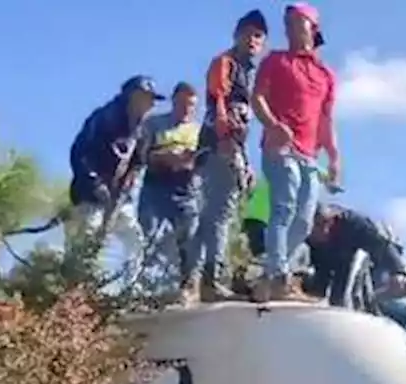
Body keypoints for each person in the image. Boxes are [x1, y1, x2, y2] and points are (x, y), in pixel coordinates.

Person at [251, 3, 341, 303]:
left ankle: (270, 274)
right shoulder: (275, 61)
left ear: (312, 29)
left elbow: (326, 120)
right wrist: (273, 125)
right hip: (279, 148)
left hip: (309, 155)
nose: (290, 28)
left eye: (296, 22)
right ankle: (279, 276)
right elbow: (258, 99)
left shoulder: (326, 75)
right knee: (283, 207)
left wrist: (334, 157)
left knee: (303, 221)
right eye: (287, 23)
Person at [182, 9, 268, 304]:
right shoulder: (226, 62)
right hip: (220, 144)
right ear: (237, 35)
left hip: (231, 145)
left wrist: (244, 158)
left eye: (259, 36)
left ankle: (192, 276)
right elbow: (219, 101)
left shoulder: (249, 71)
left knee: (215, 214)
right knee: (220, 213)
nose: (254, 40)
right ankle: (212, 278)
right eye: (249, 33)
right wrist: (227, 143)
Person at [66, 75, 164, 281]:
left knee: (134, 239)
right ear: (133, 96)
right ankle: (74, 287)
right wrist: (93, 183)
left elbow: (138, 162)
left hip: (119, 197)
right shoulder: (103, 118)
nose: (152, 104)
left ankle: (132, 287)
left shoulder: (143, 130)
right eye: (147, 98)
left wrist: (128, 184)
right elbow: (79, 152)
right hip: (90, 194)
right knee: (87, 237)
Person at [137, 82, 202, 301]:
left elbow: (206, 161)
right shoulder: (154, 124)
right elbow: (141, 155)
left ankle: (189, 285)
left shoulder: (198, 131)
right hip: (156, 186)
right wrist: (165, 157)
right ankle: (146, 288)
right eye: (182, 103)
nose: (186, 109)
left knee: (189, 237)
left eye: (191, 105)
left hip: (186, 189)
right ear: (174, 101)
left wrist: (190, 161)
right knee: (149, 235)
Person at [306, 202, 406, 319]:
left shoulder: (353, 223)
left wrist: (397, 272)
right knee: (327, 294)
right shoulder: (306, 236)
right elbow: (321, 273)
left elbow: (381, 245)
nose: (323, 231)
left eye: (325, 224)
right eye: (315, 227)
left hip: (364, 261)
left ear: (332, 220)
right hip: (329, 261)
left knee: (373, 290)